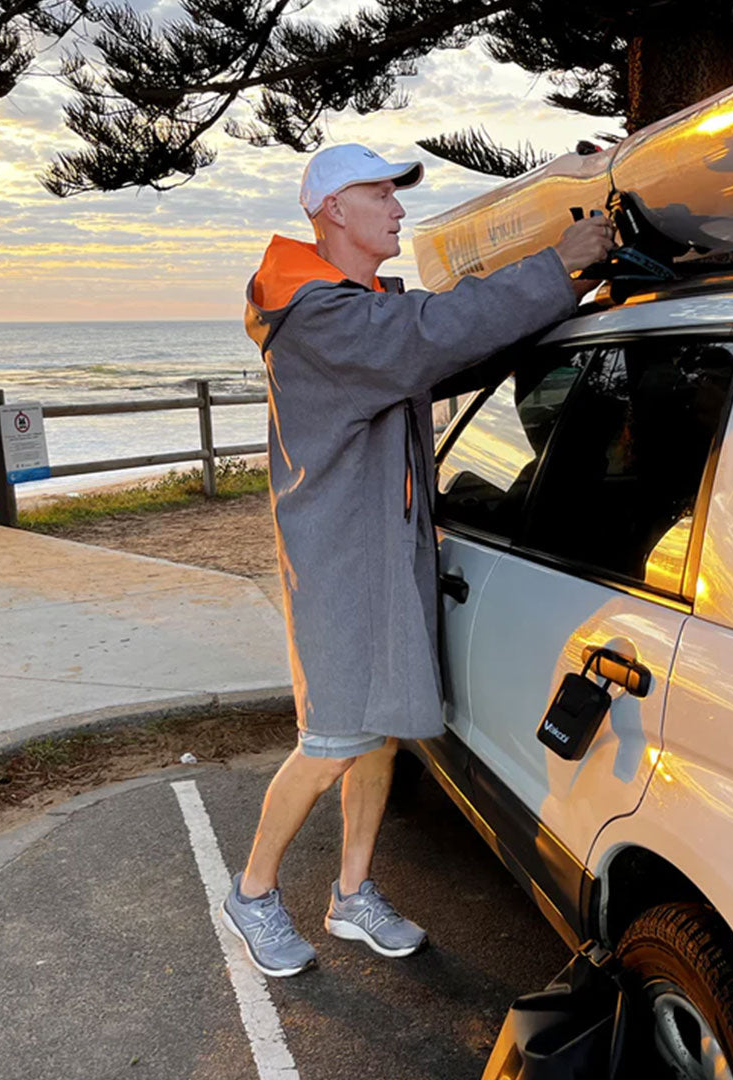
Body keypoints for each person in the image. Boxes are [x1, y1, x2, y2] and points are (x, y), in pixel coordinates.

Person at [223, 142, 614, 977]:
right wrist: (555, 266)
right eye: (381, 196)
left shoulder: (357, 305)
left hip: (385, 548)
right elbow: (429, 333)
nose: (399, 210)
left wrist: (570, 292)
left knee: (384, 734)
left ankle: (351, 893)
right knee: (331, 739)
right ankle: (253, 893)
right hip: (339, 562)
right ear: (333, 211)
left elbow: (448, 352)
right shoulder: (321, 317)